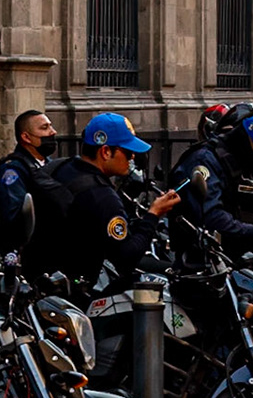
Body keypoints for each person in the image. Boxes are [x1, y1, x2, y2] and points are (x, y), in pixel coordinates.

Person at [32, 114, 178, 289]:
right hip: (72, 295)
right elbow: (127, 258)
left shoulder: (61, 166)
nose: (132, 157)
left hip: (36, 279)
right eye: (127, 152)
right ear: (106, 152)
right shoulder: (101, 196)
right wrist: (153, 215)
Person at [170, 105, 253, 261]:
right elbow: (211, 217)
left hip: (234, 252)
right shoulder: (205, 160)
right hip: (200, 258)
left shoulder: (239, 162)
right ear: (245, 140)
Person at [0, 110, 63, 246]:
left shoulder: (49, 164)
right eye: (44, 128)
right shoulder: (12, 170)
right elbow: (15, 216)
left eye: (50, 126)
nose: (53, 132)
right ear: (26, 137)